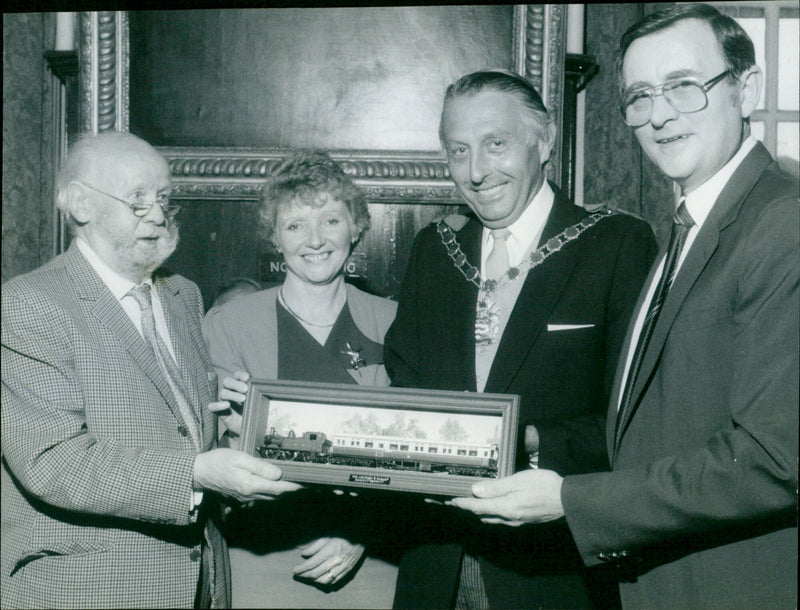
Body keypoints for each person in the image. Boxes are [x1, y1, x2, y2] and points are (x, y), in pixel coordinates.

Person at [450, 5, 798, 610]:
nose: (659, 115)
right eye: (640, 97)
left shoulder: (782, 222)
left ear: (747, 90)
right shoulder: (688, 228)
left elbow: (772, 458)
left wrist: (570, 501)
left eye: (685, 88)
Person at [384, 70, 657, 609]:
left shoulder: (615, 244)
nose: (477, 172)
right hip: (433, 565)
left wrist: (528, 441)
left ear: (545, 139)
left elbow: (636, 425)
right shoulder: (434, 251)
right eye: (457, 151)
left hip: (550, 572)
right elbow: (404, 387)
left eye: (496, 145)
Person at [0, 131, 301, 609]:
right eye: (137, 200)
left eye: (163, 198)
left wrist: (234, 433)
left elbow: (184, 429)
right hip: (87, 590)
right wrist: (198, 473)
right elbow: (53, 461)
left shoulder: (183, 295)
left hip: (200, 584)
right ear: (81, 204)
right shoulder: (29, 303)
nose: (159, 215)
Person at [202, 150, 399, 608]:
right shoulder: (228, 324)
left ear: (357, 227)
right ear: (275, 238)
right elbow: (206, 448)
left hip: (374, 557)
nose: (315, 240)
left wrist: (362, 529)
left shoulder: (396, 324)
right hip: (262, 554)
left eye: (330, 221)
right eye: (295, 226)